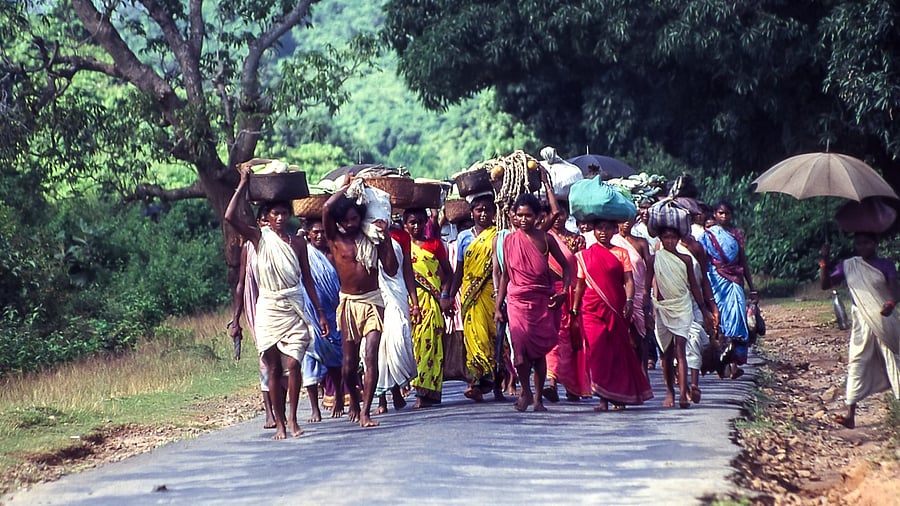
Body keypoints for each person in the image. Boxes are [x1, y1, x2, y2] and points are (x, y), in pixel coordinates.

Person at [224, 167, 329, 439]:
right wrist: (244, 182)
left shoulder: (298, 243)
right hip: (269, 308)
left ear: (289, 216)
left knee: (294, 364)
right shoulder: (259, 239)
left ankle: (293, 419)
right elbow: (229, 216)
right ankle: (280, 423)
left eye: (284, 213)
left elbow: (307, 279)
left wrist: (320, 313)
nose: (280, 218)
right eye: (275, 214)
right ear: (267, 218)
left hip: (294, 307)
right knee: (272, 367)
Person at [323, 179, 399, 428]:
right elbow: (325, 210)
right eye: (345, 220)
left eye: (354, 218)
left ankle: (365, 411)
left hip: (373, 301)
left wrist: (385, 236)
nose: (350, 224)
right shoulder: (335, 239)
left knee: (370, 356)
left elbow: (391, 268)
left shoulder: (373, 239)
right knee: (347, 365)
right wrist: (347, 188)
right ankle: (353, 401)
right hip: (348, 304)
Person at [494, 193, 572, 412]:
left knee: (537, 353)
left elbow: (566, 268)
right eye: (519, 216)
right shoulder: (509, 241)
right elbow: (506, 276)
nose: (523, 220)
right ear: (514, 217)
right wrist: (498, 307)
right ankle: (525, 391)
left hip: (542, 301)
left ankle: (538, 399)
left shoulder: (546, 239)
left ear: (538, 216)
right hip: (517, 301)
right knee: (519, 354)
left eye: (528, 215)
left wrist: (564, 291)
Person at [820, 235, 900, 429]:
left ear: (875, 243)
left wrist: (890, 304)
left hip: (884, 319)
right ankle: (850, 415)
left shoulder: (885, 265)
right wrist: (824, 262)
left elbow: (896, 291)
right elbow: (826, 285)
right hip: (861, 321)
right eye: (859, 243)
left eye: (867, 242)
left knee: (894, 362)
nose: (863, 246)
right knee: (857, 362)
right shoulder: (849, 265)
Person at [574, 219, 653, 411]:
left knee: (617, 352)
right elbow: (580, 284)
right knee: (598, 352)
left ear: (613, 231)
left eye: (607, 228)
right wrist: (574, 309)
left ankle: (619, 396)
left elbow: (628, 281)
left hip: (616, 308)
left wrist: (629, 301)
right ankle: (602, 399)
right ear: (593, 231)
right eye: (599, 228)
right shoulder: (584, 256)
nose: (603, 232)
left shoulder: (621, 253)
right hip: (591, 309)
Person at [648, 227, 713, 409]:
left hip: (683, 307)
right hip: (662, 308)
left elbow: (694, 286)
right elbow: (647, 288)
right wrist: (646, 311)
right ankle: (670, 392)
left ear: (678, 239)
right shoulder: (654, 259)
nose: (669, 241)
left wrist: (704, 309)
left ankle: (684, 393)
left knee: (681, 350)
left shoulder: (685, 260)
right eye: (666, 237)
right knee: (666, 354)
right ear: (660, 239)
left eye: (673, 237)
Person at [228, 208, 278, 429]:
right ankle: (269, 412)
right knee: (266, 360)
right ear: (258, 222)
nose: (269, 224)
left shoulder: (285, 244)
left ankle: (283, 408)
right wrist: (236, 319)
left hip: (283, 307)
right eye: (264, 220)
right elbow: (242, 284)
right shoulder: (249, 247)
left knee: (284, 361)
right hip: (259, 308)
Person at [447, 194, 498, 402]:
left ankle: (495, 381)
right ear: (472, 213)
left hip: (491, 291)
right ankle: (476, 381)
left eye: (487, 209)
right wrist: (450, 296)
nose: (483, 213)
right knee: (474, 338)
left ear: (494, 213)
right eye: (479, 210)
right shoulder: (464, 237)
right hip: (469, 292)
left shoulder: (498, 235)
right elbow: (458, 271)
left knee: (493, 337)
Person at [699, 200, 757, 379]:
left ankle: (734, 365)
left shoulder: (737, 234)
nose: (724, 217)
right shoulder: (706, 236)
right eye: (720, 213)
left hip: (734, 282)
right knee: (719, 323)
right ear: (714, 214)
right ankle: (720, 364)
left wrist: (752, 287)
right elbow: (703, 262)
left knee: (737, 322)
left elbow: (743, 261)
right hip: (715, 281)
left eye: (727, 213)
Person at [542, 187, 590, 403]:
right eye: (555, 214)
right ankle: (551, 381)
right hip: (550, 294)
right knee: (553, 337)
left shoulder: (577, 240)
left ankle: (573, 386)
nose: (558, 218)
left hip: (572, 293)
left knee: (572, 339)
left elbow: (581, 271)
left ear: (567, 215)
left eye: (562, 214)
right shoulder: (543, 238)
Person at [404, 209, 454, 408]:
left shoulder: (435, 245)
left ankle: (425, 393)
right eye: (412, 223)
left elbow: (449, 274)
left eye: (419, 222)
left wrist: (444, 295)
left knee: (430, 347)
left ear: (426, 222)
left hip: (431, 304)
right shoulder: (401, 246)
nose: (416, 227)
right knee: (414, 346)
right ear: (405, 224)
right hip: (409, 303)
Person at [299, 217, 345, 422]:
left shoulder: (335, 252)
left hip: (333, 313)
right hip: (310, 313)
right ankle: (314, 408)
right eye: (315, 232)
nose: (319, 235)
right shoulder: (303, 254)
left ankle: (339, 398)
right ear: (308, 233)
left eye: (322, 231)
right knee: (308, 358)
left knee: (335, 358)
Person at [373, 218, 419, 414]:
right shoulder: (368, 235)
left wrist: (414, 302)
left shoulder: (402, 237)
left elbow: (407, 270)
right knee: (378, 346)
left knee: (397, 341)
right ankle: (382, 399)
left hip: (397, 293)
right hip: (376, 293)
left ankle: (397, 391)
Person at [611, 217, 653, 375]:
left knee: (641, 335)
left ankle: (642, 372)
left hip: (639, 291)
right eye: (623, 220)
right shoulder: (612, 242)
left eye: (629, 219)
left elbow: (649, 268)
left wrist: (647, 292)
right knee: (621, 335)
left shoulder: (641, 243)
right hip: (619, 291)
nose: (626, 223)